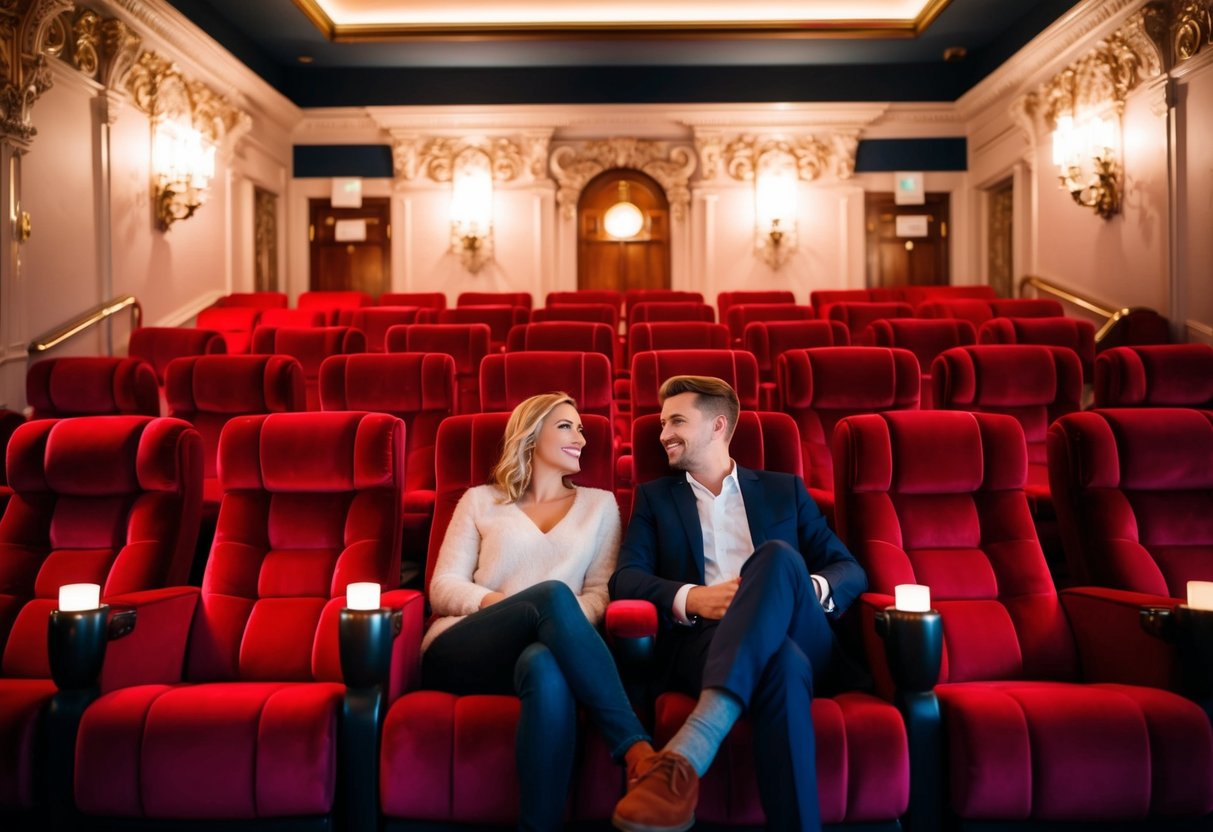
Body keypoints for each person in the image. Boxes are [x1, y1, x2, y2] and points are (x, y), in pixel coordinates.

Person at [609, 375, 867, 832]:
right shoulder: (655, 498)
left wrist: (790, 591)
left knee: (777, 558)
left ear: (718, 426)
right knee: (782, 665)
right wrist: (696, 598)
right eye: (663, 423)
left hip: (801, 630)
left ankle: (689, 751)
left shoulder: (783, 490)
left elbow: (849, 569)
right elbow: (626, 579)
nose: (663, 433)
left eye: (676, 421)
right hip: (706, 641)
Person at [422, 392, 654, 832]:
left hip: (551, 652)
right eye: (566, 426)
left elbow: (599, 596)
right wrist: (517, 609)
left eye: (581, 429)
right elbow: (443, 587)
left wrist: (550, 625)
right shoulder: (479, 501)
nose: (581, 438)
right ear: (530, 433)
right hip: (467, 645)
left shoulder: (600, 506)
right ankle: (636, 749)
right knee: (551, 595)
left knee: (545, 663)